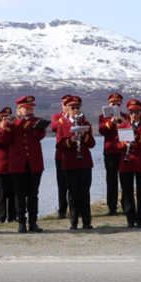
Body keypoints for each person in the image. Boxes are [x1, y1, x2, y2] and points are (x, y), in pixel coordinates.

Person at [3, 95, 46, 233]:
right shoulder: (13, 123)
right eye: (25, 108)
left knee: (33, 193)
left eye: (31, 108)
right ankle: (21, 221)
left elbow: (39, 135)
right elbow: (4, 142)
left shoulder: (38, 121)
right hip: (17, 163)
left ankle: (33, 222)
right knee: (19, 194)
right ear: (19, 109)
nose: (28, 110)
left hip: (34, 163)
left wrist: (24, 123)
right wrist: (8, 126)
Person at [55, 95, 96, 230]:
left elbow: (92, 144)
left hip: (84, 162)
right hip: (69, 162)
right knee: (72, 193)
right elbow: (59, 145)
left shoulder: (86, 124)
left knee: (85, 192)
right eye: (73, 108)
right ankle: (73, 221)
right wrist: (70, 141)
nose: (76, 110)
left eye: (78, 108)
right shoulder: (62, 124)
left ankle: (86, 221)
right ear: (67, 110)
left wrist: (84, 136)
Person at [117, 99, 141, 228]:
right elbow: (116, 145)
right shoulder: (122, 126)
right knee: (127, 192)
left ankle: (140, 220)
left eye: (136, 112)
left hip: (140, 163)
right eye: (131, 112)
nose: (134, 114)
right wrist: (124, 143)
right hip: (126, 163)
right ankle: (130, 219)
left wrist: (138, 137)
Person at [98, 92, 128, 215]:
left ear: (121, 105)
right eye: (112, 104)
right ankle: (112, 207)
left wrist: (121, 122)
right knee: (111, 180)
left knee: (125, 180)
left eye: (117, 104)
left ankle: (126, 205)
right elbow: (102, 131)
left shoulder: (126, 116)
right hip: (110, 152)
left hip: (123, 151)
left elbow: (128, 131)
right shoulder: (102, 117)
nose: (115, 106)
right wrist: (111, 122)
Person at [50, 94, 71, 219]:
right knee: (62, 184)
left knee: (74, 184)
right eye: (65, 105)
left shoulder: (79, 115)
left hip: (74, 154)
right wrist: (65, 118)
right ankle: (62, 210)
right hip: (61, 154)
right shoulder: (57, 117)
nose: (67, 107)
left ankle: (76, 208)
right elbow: (53, 127)